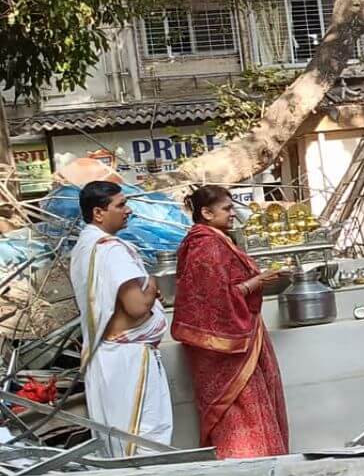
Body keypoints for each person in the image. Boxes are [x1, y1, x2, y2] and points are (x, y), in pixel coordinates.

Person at [171, 186, 290, 459]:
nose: (233, 213)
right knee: (240, 412)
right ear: (206, 213)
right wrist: (256, 282)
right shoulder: (206, 246)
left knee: (252, 407)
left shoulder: (216, 240)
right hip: (226, 348)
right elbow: (214, 300)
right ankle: (247, 467)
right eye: (227, 209)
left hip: (242, 336)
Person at [70, 181, 173, 456]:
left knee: (117, 438)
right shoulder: (110, 249)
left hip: (108, 355)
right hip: (127, 359)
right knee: (143, 439)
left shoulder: (84, 246)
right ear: (98, 213)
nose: (128, 210)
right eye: (120, 205)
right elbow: (137, 307)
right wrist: (151, 284)